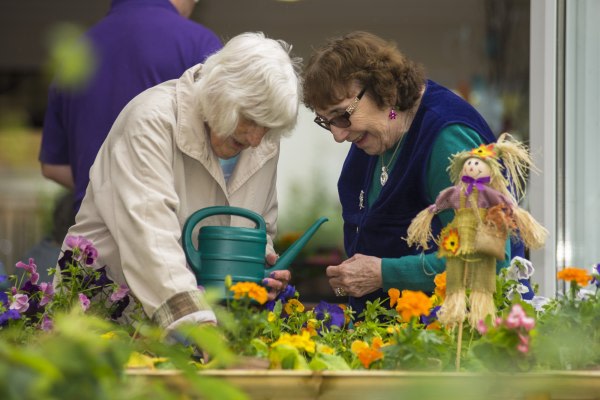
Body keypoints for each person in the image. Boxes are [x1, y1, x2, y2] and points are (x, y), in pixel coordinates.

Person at [58, 32, 301, 331]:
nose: (255, 139)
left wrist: (262, 268)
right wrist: (196, 324)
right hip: (107, 319)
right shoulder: (150, 120)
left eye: (267, 127)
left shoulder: (260, 141)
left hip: (203, 325)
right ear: (221, 94)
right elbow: (150, 237)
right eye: (251, 120)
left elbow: (257, 226)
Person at [302, 31, 519, 318]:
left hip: (458, 340)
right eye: (326, 122)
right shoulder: (374, 134)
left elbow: (487, 259)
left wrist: (385, 273)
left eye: (343, 115)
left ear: (383, 90)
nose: (338, 135)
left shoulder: (447, 140)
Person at [40, 0, 223, 212]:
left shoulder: (75, 53)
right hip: (167, 225)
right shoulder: (198, 42)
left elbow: (53, 166)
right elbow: (222, 143)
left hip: (92, 230)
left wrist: (106, 186)